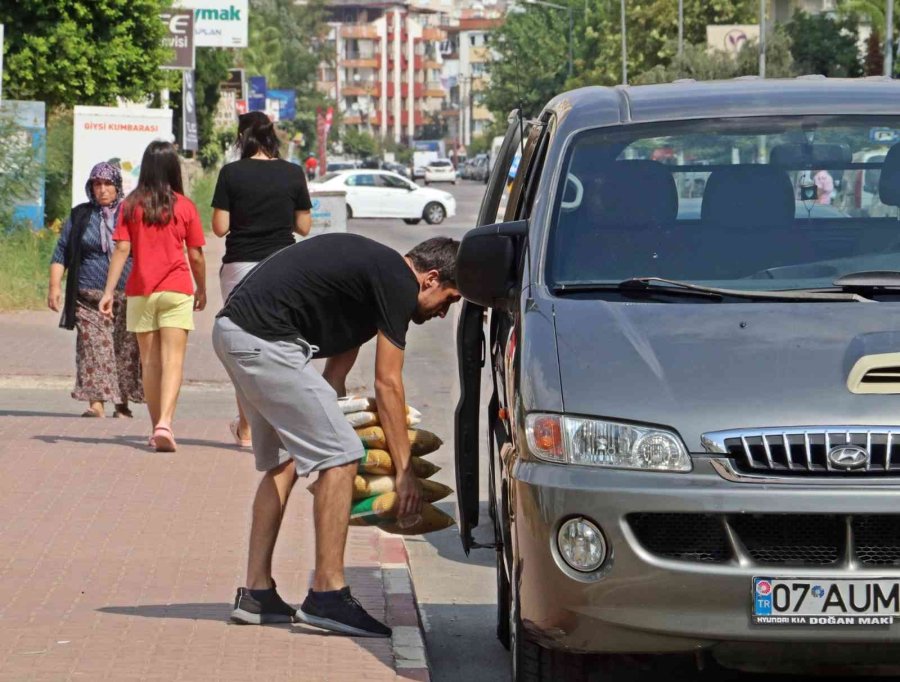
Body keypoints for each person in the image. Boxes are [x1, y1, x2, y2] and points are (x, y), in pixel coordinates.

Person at [212, 234, 460, 636]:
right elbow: (388, 385)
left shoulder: (370, 284)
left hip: (238, 334)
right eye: (450, 299)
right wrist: (402, 473)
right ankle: (328, 594)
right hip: (264, 341)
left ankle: (257, 595)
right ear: (431, 278)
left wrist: (331, 455)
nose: (444, 312)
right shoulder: (397, 280)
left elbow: (334, 381)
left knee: (287, 460)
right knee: (344, 454)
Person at [212, 111, 312, 448]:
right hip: (283, 267)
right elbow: (304, 227)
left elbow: (219, 227)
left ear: (243, 138)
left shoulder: (231, 173)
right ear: (272, 137)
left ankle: (247, 427)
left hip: (239, 267)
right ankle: (284, 427)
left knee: (241, 348)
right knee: (281, 346)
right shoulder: (292, 173)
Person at [99, 141, 207, 453]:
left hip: (141, 292)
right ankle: (166, 424)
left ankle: (155, 425)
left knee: (150, 363)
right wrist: (202, 289)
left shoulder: (130, 205)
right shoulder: (183, 205)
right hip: (176, 289)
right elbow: (196, 255)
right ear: (174, 167)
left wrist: (108, 292)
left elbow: (121, 249)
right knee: (173, 360)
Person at [48, 162, 144, 418]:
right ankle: (96, 403)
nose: (102, 190)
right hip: (87, 296)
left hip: (126, 294)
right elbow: (61, 252)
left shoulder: (131, 213)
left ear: (117, 186)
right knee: (93, 347)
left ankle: (122, 404)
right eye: (96, 184)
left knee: (124, 349)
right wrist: (55, 286)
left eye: (107, 184)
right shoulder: (80, 216)